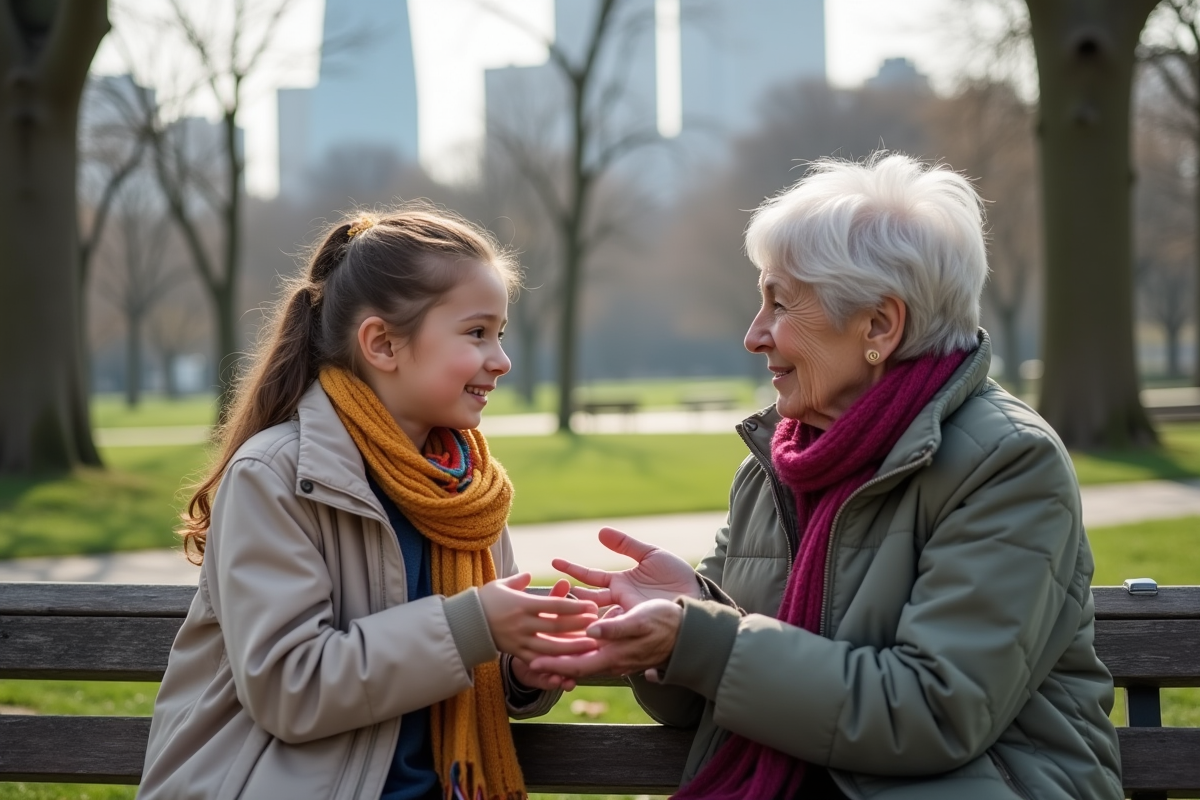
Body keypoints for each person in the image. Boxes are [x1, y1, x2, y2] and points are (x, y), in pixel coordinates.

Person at [534, 154, 1124, 799]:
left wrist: (703, 639)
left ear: (878, 325)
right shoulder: (778, 463)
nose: (754, 336)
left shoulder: (1007, 463)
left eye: (779, 304)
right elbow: (717, 696)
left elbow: (931, 713)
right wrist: (684, 623)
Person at [138, 207, 597, 800]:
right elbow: (290, 687)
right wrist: (474, 626)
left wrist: (520, 671)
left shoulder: (467, 489)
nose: (501, 359)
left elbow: (472, 653)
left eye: (500, 333)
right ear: (383, 343)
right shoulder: (274, 475)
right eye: (476, 332)